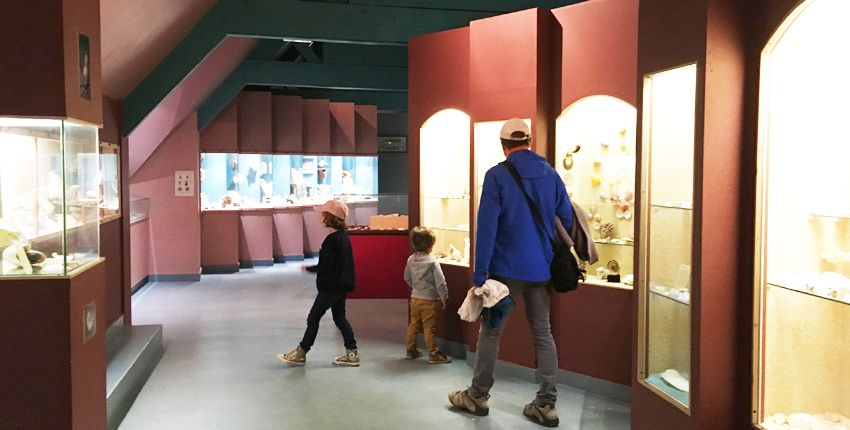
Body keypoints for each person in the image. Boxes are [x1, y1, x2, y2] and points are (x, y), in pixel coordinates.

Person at [448, 118, 574, 428]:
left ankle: (477, 397)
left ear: (503, 145)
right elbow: (567, 219)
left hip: (504, 272)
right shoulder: (550, 173)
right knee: (543, 333)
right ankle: (546, 404)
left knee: (491, 331)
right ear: (529, 141)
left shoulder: (497, 176)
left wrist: (480, 274)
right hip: (542, 270)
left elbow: (487, 226)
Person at [277, 200, 360, 367]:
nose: (321, 217)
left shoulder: (331, 240)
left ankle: (301, 352)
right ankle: (352, 353)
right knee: (340, 318)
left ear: (330, 217)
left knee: (313, 318)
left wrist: (309, 268)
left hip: (330, 287)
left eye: (323, 214)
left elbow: (325, 266)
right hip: (341, 286)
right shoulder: (344, 238)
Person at [403, 227, 452, 364]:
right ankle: (433, 355)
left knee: (413, 325)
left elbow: (406, 277)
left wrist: (415, 287)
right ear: (430, 246)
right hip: (429, 300)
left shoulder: (410, 260)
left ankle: (410, 350)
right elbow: (440, 282)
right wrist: (444, 297)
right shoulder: (433, 262)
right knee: (429, 329)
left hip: (415, 298)